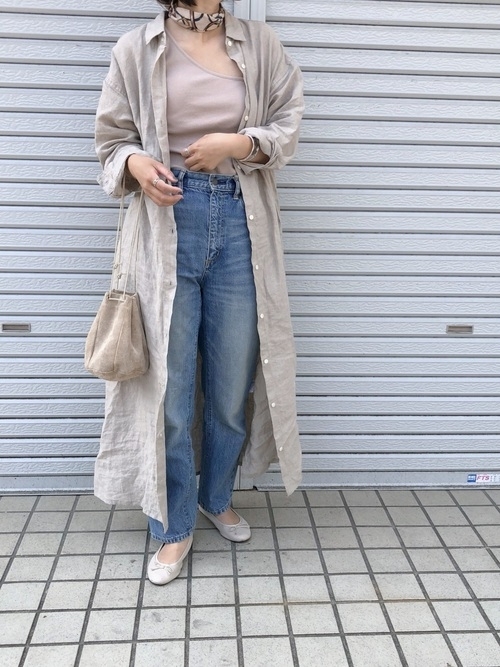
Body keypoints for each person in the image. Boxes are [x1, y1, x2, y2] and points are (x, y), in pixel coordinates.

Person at [94, 0, 304, 586]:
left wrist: (235, 145)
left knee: (231, 384)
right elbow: (111, 140)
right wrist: (137, 163)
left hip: (242, 220)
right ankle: (174, 521)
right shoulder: (136, 49)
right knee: (168, 386)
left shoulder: (259, 43)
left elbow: (287, 122)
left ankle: (216, 496)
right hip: (166, 224)